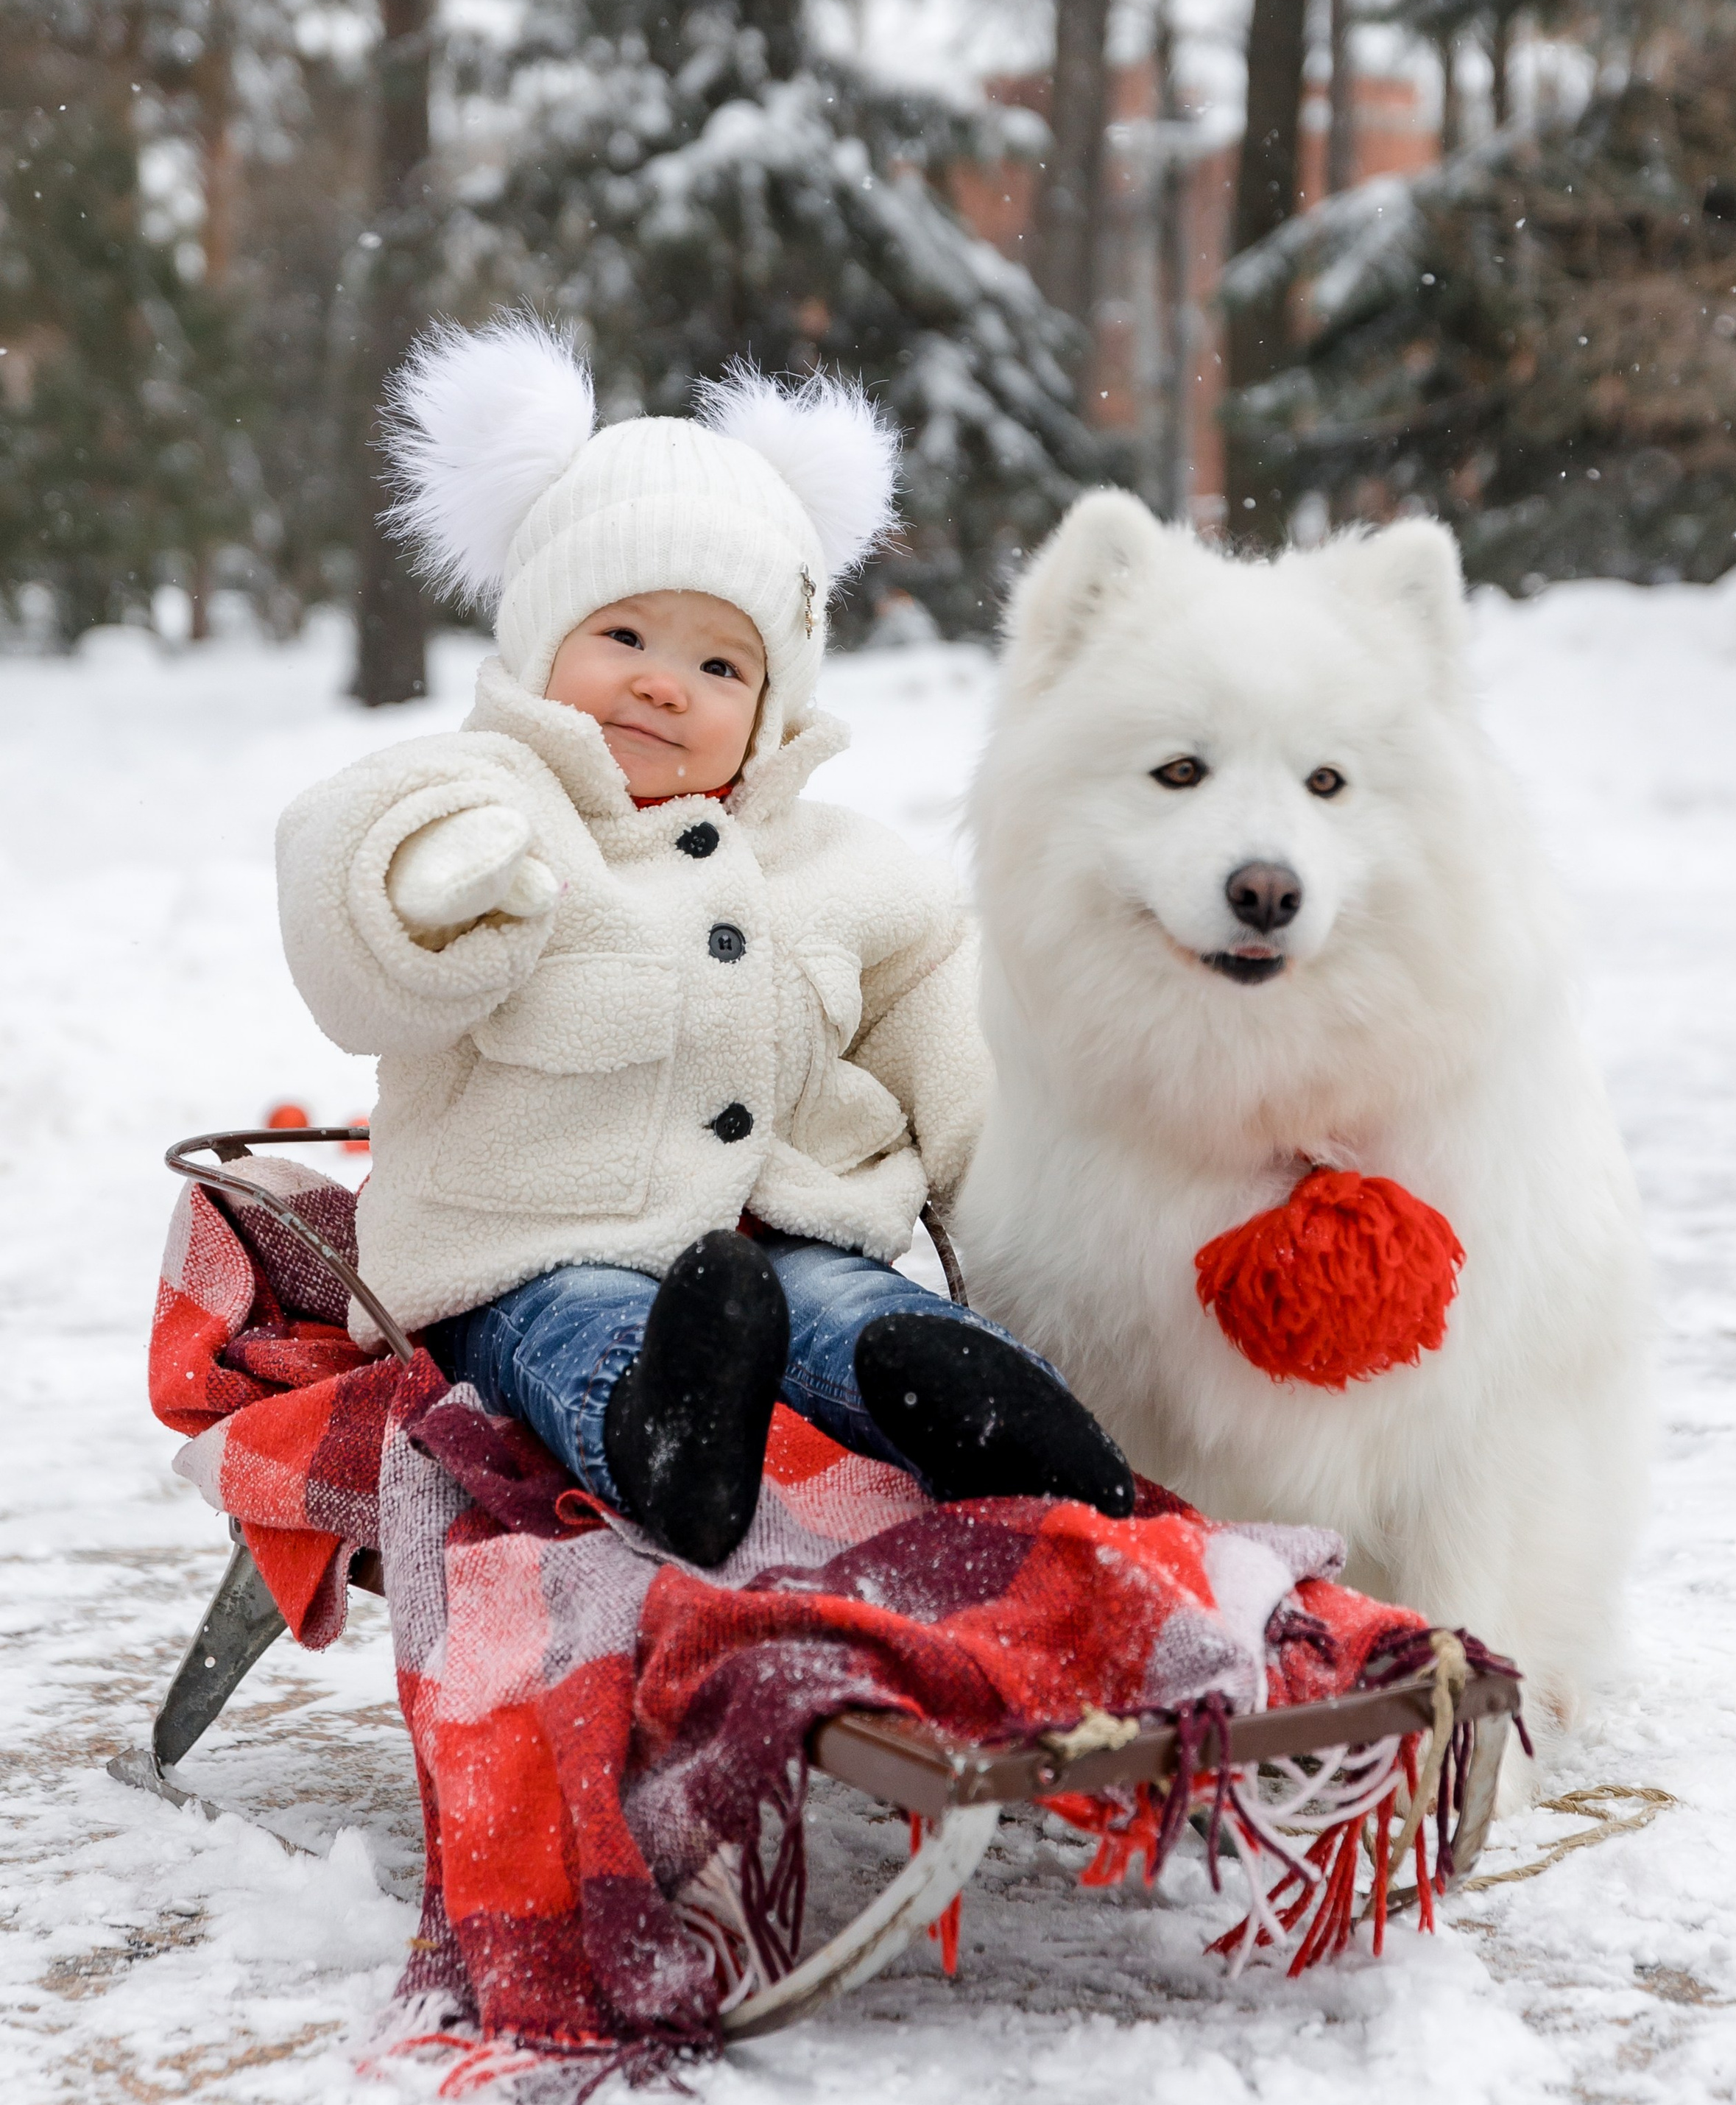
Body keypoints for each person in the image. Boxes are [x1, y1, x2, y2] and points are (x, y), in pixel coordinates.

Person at [276, 314, 1133, 1564]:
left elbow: (953, 1029)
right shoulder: (481, 800)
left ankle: (999, 1418)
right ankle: (659, 1442)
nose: (665, 684)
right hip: (529, 1248)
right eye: (624, 636)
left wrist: (1019, 1184)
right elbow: (341, 890)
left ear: (774, 705)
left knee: (859, 1311)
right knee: (581, 1328)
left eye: (722, 666)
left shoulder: (840, 866)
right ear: (541, 642)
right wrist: (428, 895)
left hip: (787, 1241)